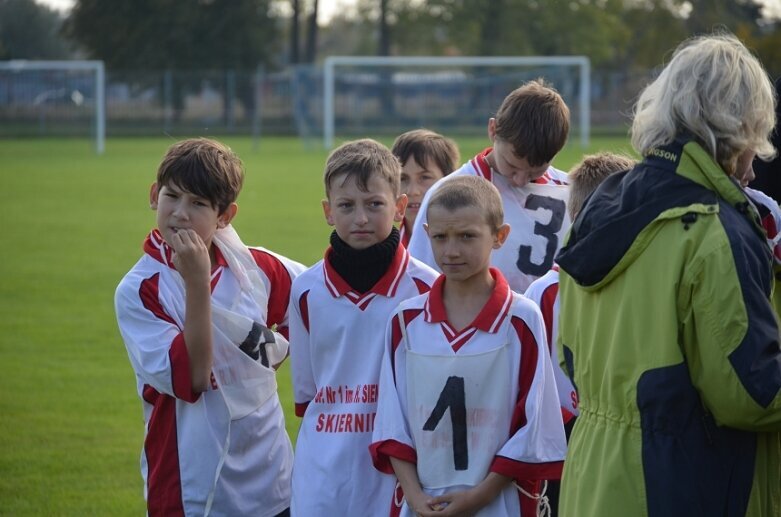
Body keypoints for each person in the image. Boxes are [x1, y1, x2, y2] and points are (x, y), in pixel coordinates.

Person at [554, 33, 781, 516]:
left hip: (592, 478)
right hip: (676, 485)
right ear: (739, 125)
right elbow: (750, 394)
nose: (754, 169)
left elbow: (569, 354)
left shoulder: (603, 203)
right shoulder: (712, 228)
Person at [114, 138, 304, 516]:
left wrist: (256, 366)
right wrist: (198, 284)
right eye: (173, 196)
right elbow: (195, 377)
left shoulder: (258, 268)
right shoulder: (140, 289)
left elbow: (318, 310)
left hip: (272, 481)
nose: (181, 213)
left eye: (198, 203)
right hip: (188, 486)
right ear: (154, 195)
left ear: (225, 216)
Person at [371, 175, 567, 517]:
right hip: (422, 504)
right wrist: (416, 498)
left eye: (467, 236)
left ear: (499, 236)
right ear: (427, 232)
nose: (452, 250)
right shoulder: (405, 322)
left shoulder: (521, 319)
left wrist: (478, 497)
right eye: (441, 237)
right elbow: (392, 423)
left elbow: (535, 427)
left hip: (499, 504)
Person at [288, 139, 439, 516]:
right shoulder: (306, 290)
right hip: (322, 473)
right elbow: (308, 396)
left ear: (401, 207)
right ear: (327, 211)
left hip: (400, 474)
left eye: (374, 204)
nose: (360, 218)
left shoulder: (427, 289)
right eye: (346, 205)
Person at [523, 152, 635, 516]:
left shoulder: (645, 278)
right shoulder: (544, 292)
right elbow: (534, 378)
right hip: (564, 437)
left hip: (626, 432)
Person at [407, 79, 571, 294]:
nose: (520, 180)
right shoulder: (449, 192)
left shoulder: (570, 191)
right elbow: (420, 276)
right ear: (493, 130)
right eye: (512, 165)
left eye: (535, 171)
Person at [391, 128, 460, 247]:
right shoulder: (388, 247)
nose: (412, 191)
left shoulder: (460, 248)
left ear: (449, 180)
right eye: (402, 178)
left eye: (424, 177)